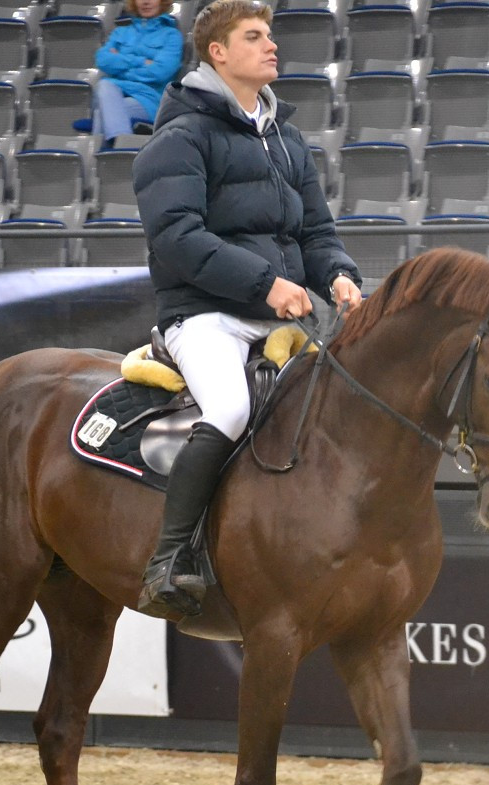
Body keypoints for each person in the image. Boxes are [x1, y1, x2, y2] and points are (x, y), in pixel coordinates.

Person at [132, 0, 362, 617]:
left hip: (278, 315)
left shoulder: (286, 137)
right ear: (218, 52)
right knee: (231, 407)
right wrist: (265, 285)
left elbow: (316, 231)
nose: (271, 46)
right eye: (254, 37)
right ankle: (170, 559)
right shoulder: (178, 138)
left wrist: (338, 274)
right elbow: (177, 238)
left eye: (271, 36)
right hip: (204, 315)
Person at [73, 0, 183, 145]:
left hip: (148, 99)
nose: (146, 2)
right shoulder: (120, 32)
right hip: (114, 94)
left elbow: (159, 72)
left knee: (103, 106)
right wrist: (142, 62)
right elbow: (103, 60)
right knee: (106, 90)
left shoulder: (172, 35)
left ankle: (108, 155)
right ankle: (122, 146)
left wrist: (119, 66)